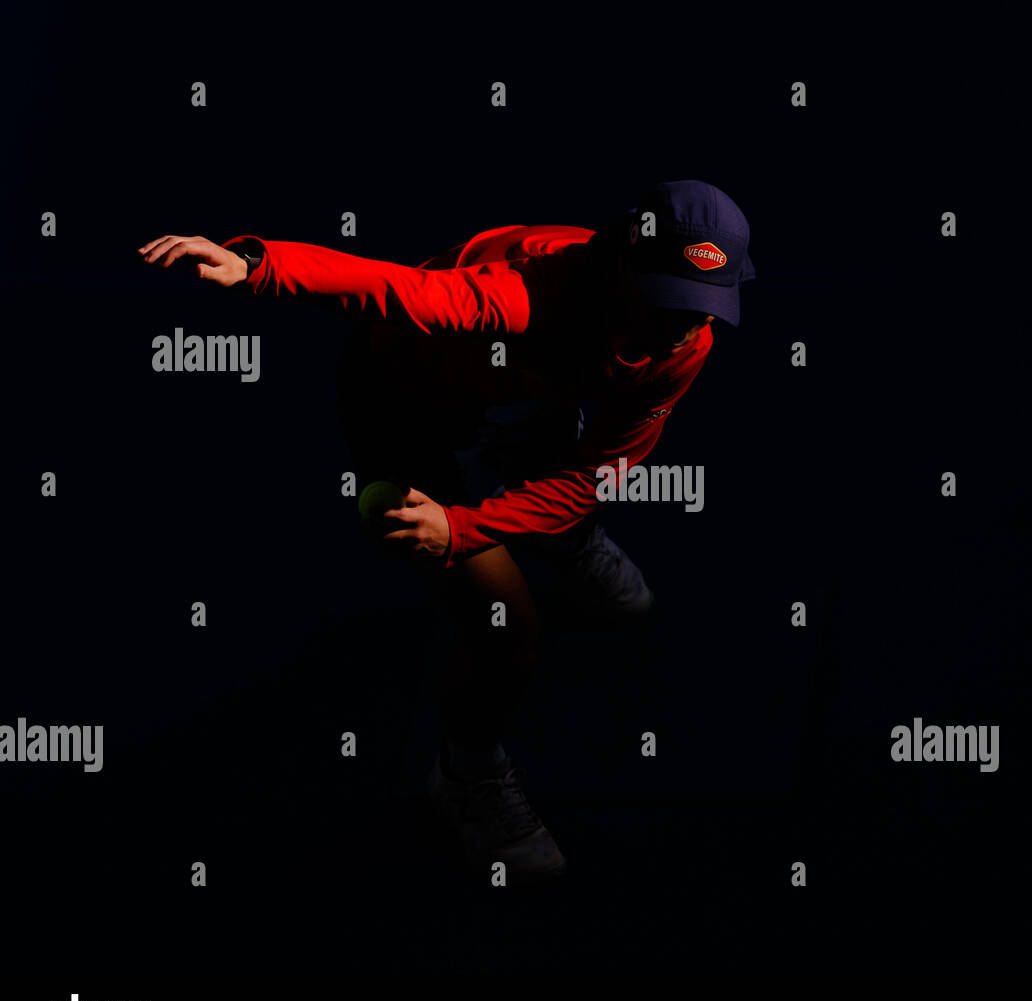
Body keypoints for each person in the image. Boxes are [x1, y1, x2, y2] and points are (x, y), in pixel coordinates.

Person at [137, 180, 755, 883]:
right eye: (665, 300)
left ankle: (561, 533)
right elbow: (394, 290)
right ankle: (467, 771)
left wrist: (469, 524)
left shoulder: (687, 341)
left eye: (698, 306)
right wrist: (256, 264)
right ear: (622, 271)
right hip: (404, 400)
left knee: (565, 479)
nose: (680, 326)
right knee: (508, 627)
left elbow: (594, 473)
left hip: (529, 388)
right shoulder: (519, 296)